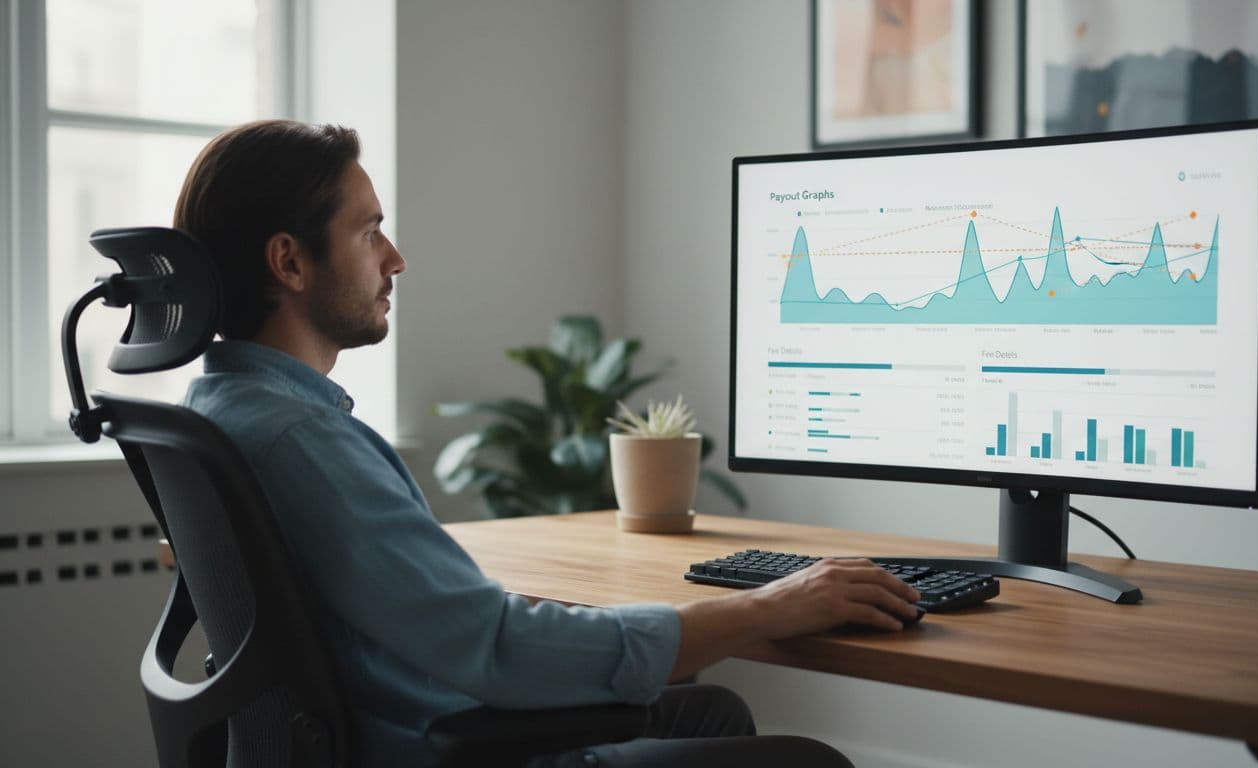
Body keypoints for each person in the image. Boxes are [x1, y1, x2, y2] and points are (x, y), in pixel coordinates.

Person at [175, 119, 922, 768]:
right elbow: (499, 649)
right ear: (290, 262)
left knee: (709, 711)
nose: (395, 258)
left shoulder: (218, 409)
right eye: (368, 231)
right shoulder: (302, 436)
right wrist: (771, 606)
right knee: (805, 761)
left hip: (374, 731)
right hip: (431, 746)